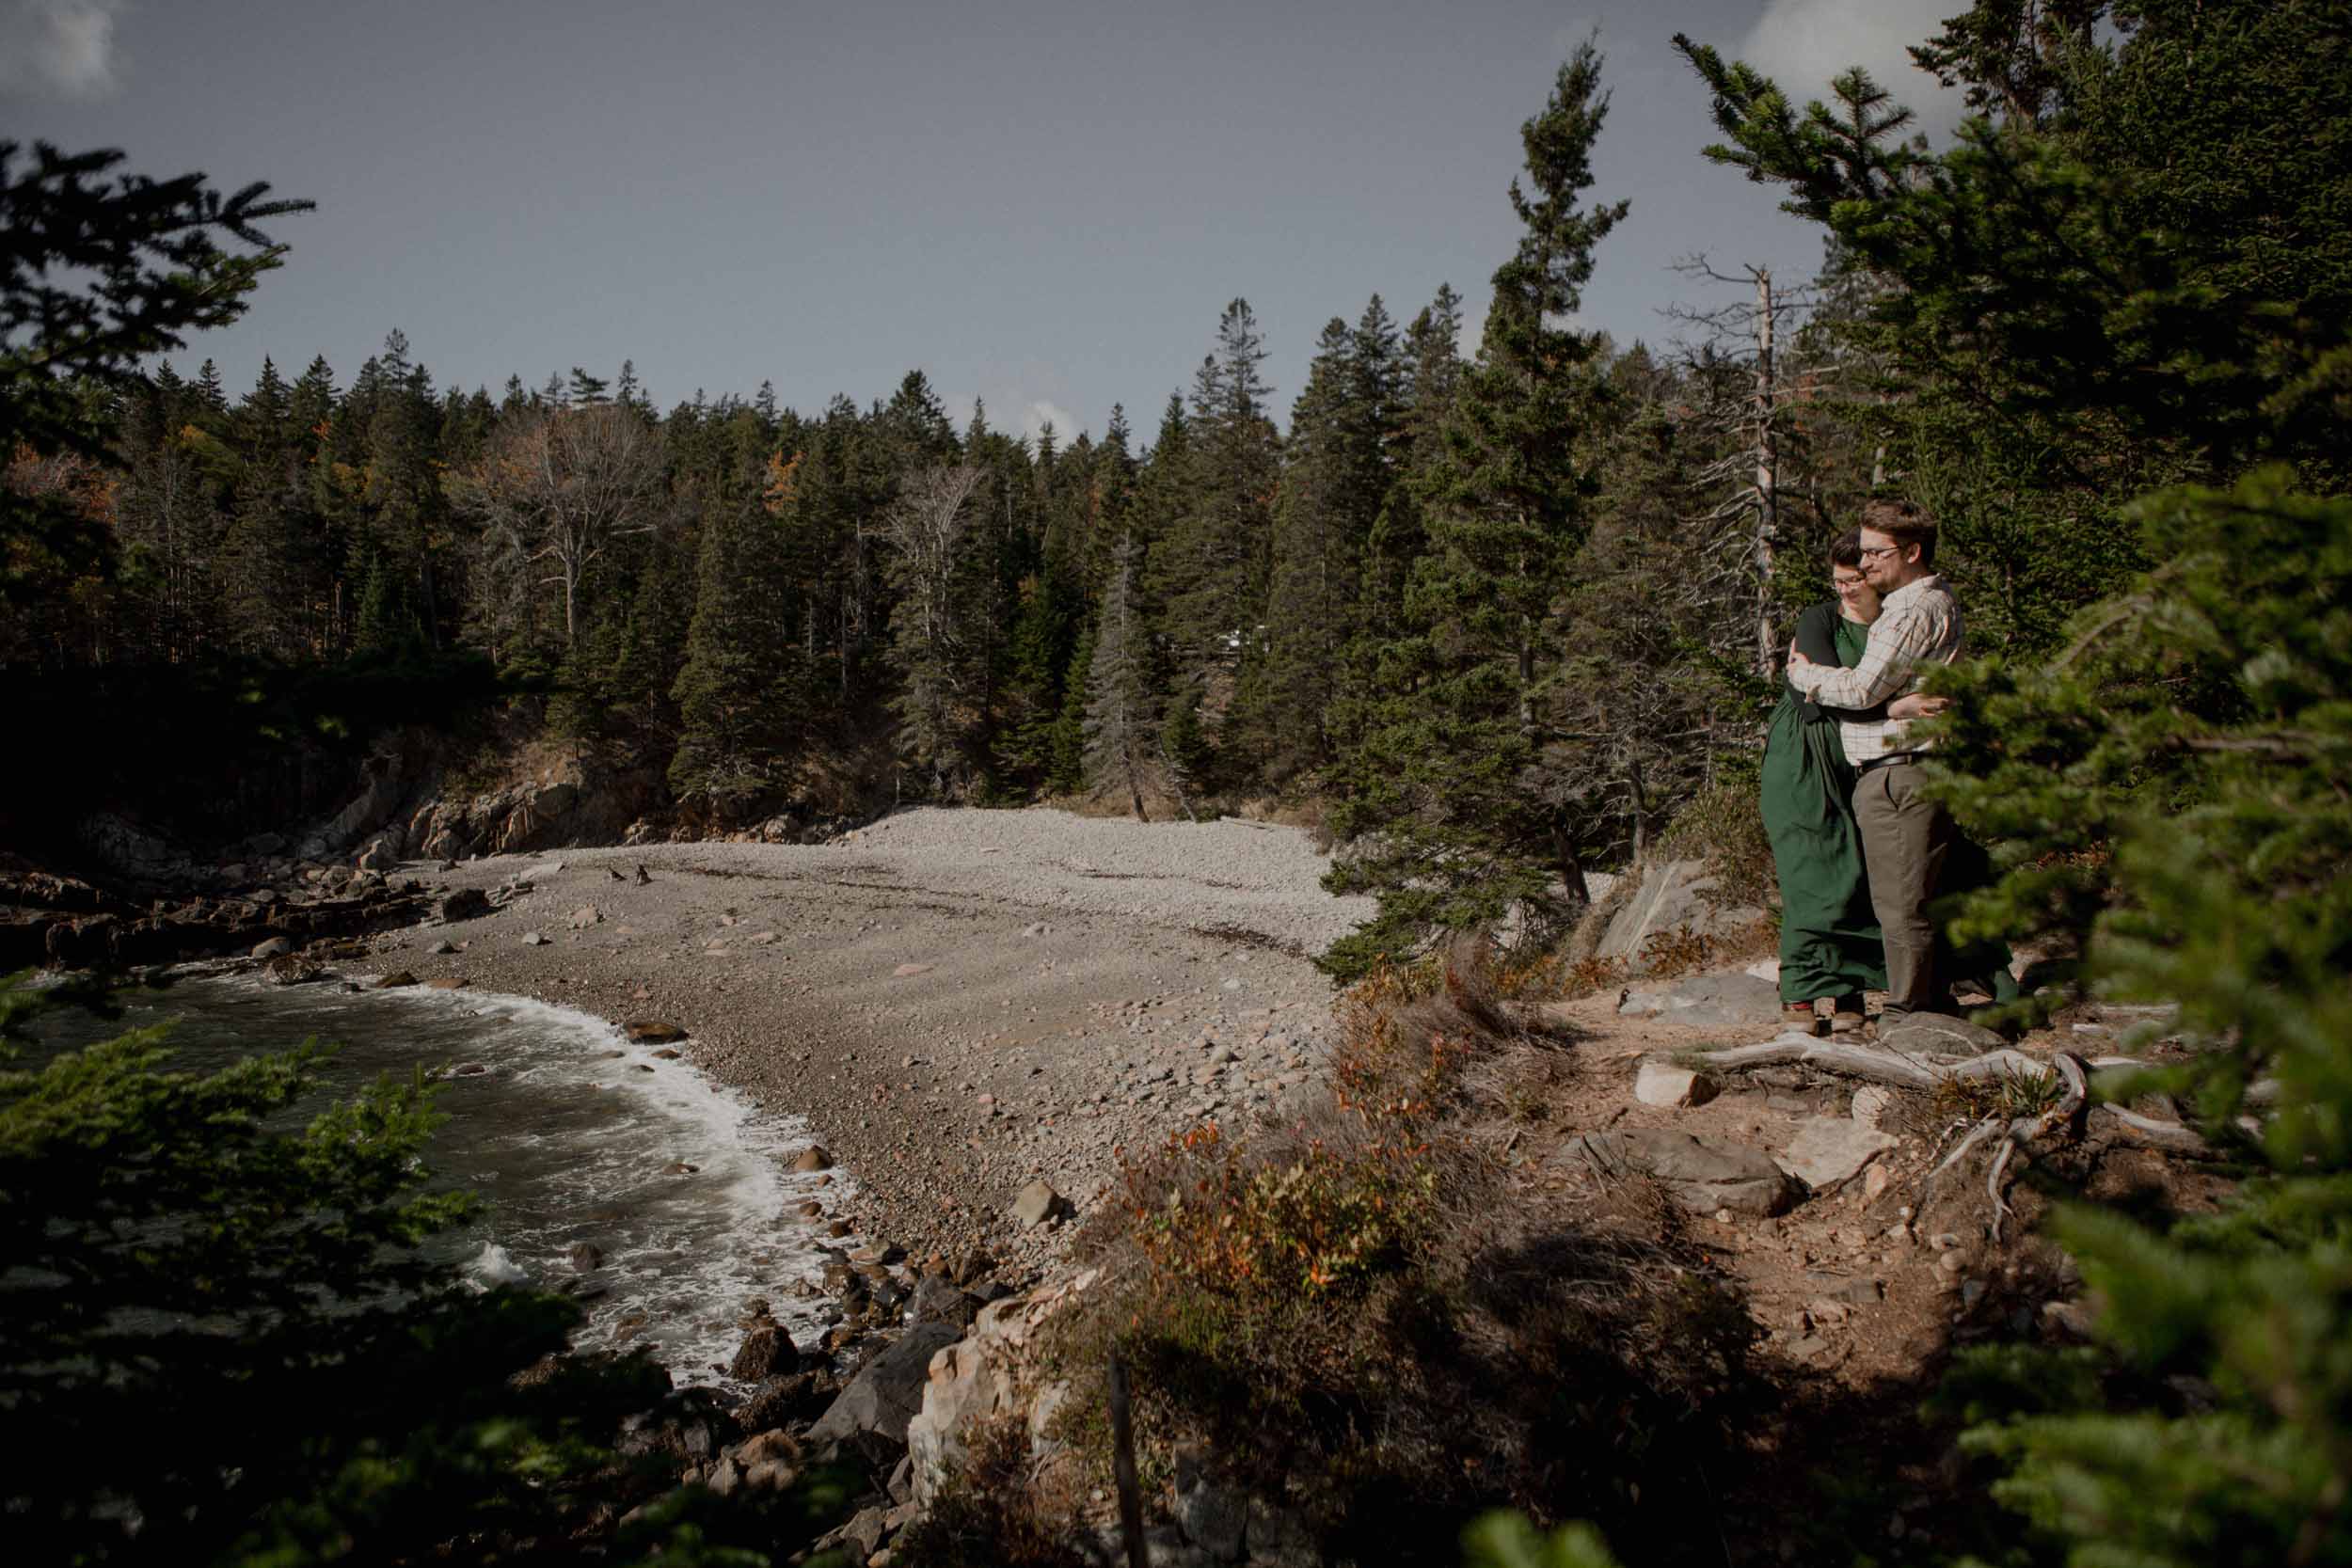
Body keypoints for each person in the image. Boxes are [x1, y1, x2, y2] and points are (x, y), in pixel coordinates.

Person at [1785, 499, 1965, 1024]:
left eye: (1874, 553)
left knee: (1900, 903)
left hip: (1898, 770)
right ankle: (1926, 1005)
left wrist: (1803, 674)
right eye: (1861, 553)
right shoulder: (1937, 600)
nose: (1863, 565)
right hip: (1913, 764)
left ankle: (1910, 1016)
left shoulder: (1907, 611)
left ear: (1911, 552)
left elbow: (1861, 688)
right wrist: (1897, 705)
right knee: (1912, 895)